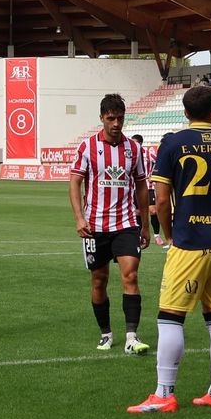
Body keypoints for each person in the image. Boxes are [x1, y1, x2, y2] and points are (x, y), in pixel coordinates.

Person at [127, 85, 211, 413]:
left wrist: (170, 233)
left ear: (186, 113)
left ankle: (164, 394)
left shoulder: (173, 143)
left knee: (170, 318)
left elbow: (161, 199)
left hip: (190, 242)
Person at [70, 94, 151, 354]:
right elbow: (75, 182)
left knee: (131, 275)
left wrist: (145, 224)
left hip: (126, 223)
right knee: (99, 280)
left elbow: (141, 186)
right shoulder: (87, 147)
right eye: (111, 118)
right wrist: (79, 218)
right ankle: (106, 333)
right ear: (102, 118)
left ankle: (131, 337)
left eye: (120, 118)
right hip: (94, 226)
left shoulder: (134, 149)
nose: (116, 124)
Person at [131, 133, 166, 247]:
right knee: (138, 212)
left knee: (153, 210)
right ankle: (139, 235)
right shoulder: (130, 154)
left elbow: (159, 163)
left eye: (135, 142)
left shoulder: (148, 154)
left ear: (140, 143)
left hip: (148, 186)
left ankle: (156, 235)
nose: (133, 145)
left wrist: (153, 175)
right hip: (135, 187)